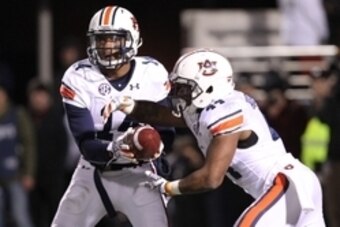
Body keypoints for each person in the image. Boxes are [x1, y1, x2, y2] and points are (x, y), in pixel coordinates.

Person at [110, 49, 326, 226]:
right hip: (293, 185)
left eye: (185, 88)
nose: (179, 94)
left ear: (208, 86)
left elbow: (211, 178)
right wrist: (130, 106)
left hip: (285, 184)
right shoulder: (206, 109)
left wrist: (167, 188)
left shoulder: (224, 110)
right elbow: (160, 115)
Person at [51, 5, 174, 227]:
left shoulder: (152, 72)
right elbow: (86, 144)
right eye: (101, 39)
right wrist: (116, 148)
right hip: (93, 173)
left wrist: (152, 145)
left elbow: (167, 132)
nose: (107, 46)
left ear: (133, 39)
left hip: (140, 173)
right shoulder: (79, 76)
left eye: (115, 39)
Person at [27, 79, 68, 227]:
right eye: (35, 96)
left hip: (53, 178)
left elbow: (62, 148)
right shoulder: (27, 119)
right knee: (35, 215)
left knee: (55, 214)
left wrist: (57, 172)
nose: (38, 99)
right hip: (33, 178)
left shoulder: (56, 119)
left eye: (41, 95)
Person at [0, 82, 36, 227]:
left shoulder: (17, 114)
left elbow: (29, 144)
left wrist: (29, 173)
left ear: (5, 96)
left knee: (20, 215)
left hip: (16, 173)